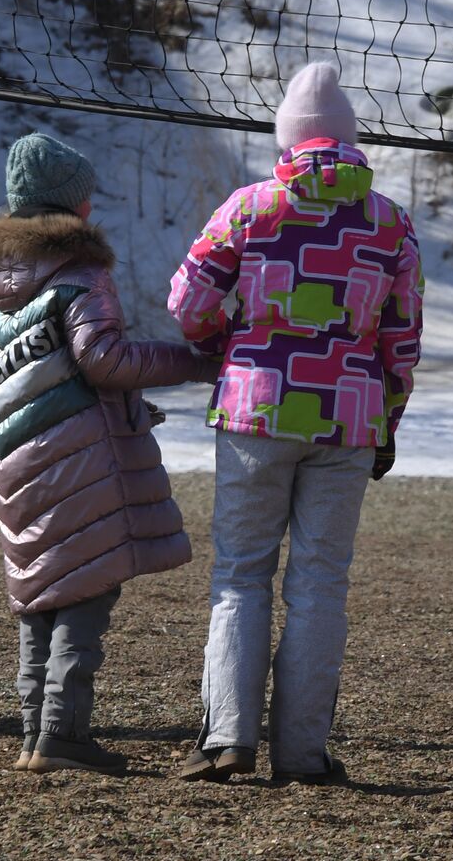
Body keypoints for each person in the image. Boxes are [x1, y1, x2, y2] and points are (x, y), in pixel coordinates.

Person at [168, 62, 424, 784]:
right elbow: (402, 343)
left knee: (240, 576)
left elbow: (187, 306)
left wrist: (232, 338)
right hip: (348, 419)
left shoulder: (249, 208)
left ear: (287, 141)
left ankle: (226, 740)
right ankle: (303, 754)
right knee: (319, 586)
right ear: (346, 142)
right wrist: (387, 420)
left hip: (256, 408)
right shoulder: (390, 223)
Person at [0, 132, 217, 773]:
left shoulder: (3, 285)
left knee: (41, 591)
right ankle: (65, 736)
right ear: (73, 207)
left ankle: (34, 735)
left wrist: (127, 410)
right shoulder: (80, 274)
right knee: (84, 590)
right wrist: (194, 362)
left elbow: (44, 376)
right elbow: (102, 359)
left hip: (18, 461)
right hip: (78, 462)